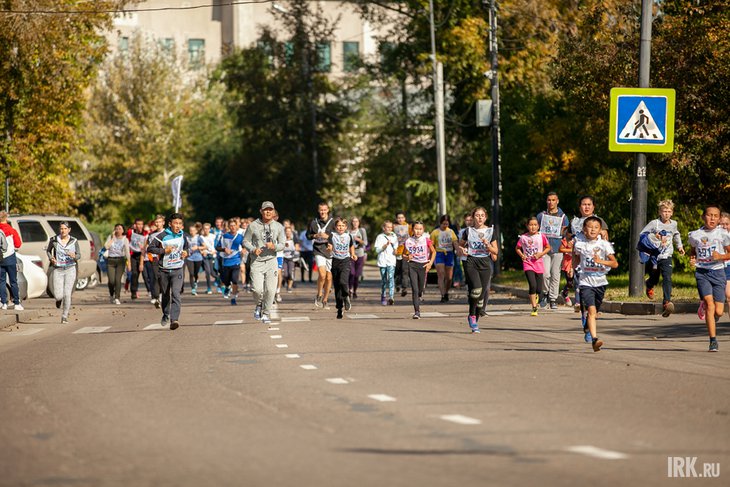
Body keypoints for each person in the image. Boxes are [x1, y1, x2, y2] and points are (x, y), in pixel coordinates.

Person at [572, 216, 618, 352]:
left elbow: (614, 263)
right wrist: (572, 269)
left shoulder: (604, 244)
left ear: (600, 230)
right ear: (584, 230)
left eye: (596, 227)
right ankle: (594, 339)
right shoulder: (579, 244)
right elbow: (575, 258)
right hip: (585, 281)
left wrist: (601, 262)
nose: (593, 229)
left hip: (601, 282)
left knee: (595, 312)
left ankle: (587, 325)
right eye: (590, 227)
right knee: (591, 311)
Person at [688, 205, 730, 352]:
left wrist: (721, 256)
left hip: (718, 273)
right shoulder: (695, 234)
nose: (712, 218)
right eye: (709, 215)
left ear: (719, 219)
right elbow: (693, 250)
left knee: (718, 311)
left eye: (715, 216)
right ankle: (713, 340)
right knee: (710, 305)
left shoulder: (723, 234)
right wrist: (692, 259)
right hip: (702, 273)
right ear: (703, 217)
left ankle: (712, 315)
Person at [640, 199, 685, 317]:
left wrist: (679, 246)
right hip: (654, 256)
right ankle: (649, 284)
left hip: (667, 255)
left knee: (667, 277)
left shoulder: (674, 224)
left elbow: (676, 234)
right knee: (654, 277)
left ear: (672, 213)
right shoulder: (654, 223)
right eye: (664, 211)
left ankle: (666, 302)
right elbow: (642, 234)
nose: (666, 213)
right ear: (660, 212)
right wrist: (654, 237)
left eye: (669, 211)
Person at [243, 201, 285, 325]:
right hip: (257, 261)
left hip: (271, 261)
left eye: (270, 210)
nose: (268, 212)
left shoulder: (278, 226)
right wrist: (252, 249)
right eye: (265, 210)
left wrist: (274, 246)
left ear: (273, 211)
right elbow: (245, 241)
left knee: (271, 290)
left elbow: (282, 244)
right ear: (261, 211)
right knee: (256, 289)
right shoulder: (253, 225)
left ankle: (266, 313)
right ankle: (259, 304)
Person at [458, 207, 498, 333]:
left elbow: (495, 251)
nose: (480, 217)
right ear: (473, 217)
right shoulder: (468, 231)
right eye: (477, 215)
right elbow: (460, 245)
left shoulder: (490, 231)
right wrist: (462, 249)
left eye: (482, 215)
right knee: (476, 289)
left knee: (481, 295)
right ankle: (471, 316)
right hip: (471, 261)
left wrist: (488, 245)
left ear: (485, 217)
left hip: (485, 262)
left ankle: (476, 320)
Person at [147, 213, 189, 331]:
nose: (178, 226)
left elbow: (186, 247)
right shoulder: (162, 236)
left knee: (176, 293)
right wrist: (164, 250)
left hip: (178, 269)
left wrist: (186, 252)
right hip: (164, 270)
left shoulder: (183, 236)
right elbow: (150, 248)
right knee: (165, 295)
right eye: (175, 223)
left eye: (180, 224)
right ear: (170, 224)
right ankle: (166, 313)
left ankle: (174, 320)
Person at [536, 192, 570, 309]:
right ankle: (544, 293)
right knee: (545, 274)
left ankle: (553, 298)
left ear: (557, 201)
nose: (551, 202)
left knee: (555, 275)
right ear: (546, 201)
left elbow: (565, 233)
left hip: (558, 248)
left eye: (553, 200)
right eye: (549, 200)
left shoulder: (563, 217)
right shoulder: (541, 215)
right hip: (544, 249)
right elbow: (535, 230)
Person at [46, 221, 81, 324]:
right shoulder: (54, 240)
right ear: (59, 229)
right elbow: (48, 251)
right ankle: (58, 300)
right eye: (61, 228)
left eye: (65, 229)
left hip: (70, 268)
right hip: (58, 269)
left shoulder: (74, 241)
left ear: (69, 230)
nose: (63, 231)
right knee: (58, 295)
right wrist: (51, 258)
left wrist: (74, 256)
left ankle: (64, 316)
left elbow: (79, 255)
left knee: (67, 294)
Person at [516, 217, 550, 316]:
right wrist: (522, 255)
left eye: (535, 225)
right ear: (527, 226)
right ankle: (534, 308)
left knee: (539, 289)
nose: (533, 227)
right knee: (532, 285)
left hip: (538, 263)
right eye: (531, 225)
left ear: (538, 226)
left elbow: (548, 247)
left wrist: (541, 254)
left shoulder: (541, 236)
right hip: (528, 263)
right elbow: (517, 248)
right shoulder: (523, 237)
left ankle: (536, 296)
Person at [404, 221, 436, 319]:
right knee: (415, 289)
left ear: (423, 230)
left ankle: (420, 294)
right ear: (412, 229)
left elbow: (433, 251)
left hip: (423, 265)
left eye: (420, 229)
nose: (418, 231)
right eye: (416, 229)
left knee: (420, 289)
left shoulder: (426, 240)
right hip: (412, 265)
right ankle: (417, 312)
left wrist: (430, 263)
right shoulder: (408, 241)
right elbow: (404, 255)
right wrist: (407, 257)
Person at [307, 202, 335, 309]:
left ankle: (325, 299)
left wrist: (328, 237)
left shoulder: (333, 222)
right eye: (321, 210)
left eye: (324, 210)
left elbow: (338, 235)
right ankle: (319, 294)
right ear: (318, 210)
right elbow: (307, 235)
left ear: (328, 210)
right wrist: (315, 235)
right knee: (322, 274)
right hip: (318, 250)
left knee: (328, 277)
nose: (323, 212)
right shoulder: (313, 222)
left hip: (330, 251)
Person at [328, 217, 356, 319]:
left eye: (343, 226)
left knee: (343, 282)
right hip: (335, 261)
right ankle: (339, 308)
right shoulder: (332, 235)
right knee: (337, 287)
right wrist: (329, 248)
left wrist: (353, 254)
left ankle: (346, 296)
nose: (341, 227)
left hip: (345, 260)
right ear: (335, 227)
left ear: (346, 227)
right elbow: (329, 244)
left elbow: (351, 245)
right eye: (339, 225)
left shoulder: (349, 236)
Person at [216, 218, 244, 305]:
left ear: (237, 226)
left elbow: (245, 246)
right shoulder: (224, 236)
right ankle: (227, 287)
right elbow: (217, 247)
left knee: (235, 280)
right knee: (226, 280)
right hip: (226, 261)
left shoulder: (240, 237)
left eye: (234, 225)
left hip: (236, 261)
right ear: (229, 227)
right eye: (231, 226)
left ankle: (233, 298)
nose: (232, 227)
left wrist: (244, 249)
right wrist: (224, 249)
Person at [430, 215, 458, 303]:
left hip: (449, 254)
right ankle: (442, 294)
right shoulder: (435, 232)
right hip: (439, 254)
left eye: (447, 223)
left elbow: (455, 243)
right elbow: (431, 244)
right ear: (440, 223)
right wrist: (431, 255)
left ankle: (446, 292)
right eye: (443, 223)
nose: (445, 225)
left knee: (449, 277)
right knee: (441, 274)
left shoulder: (451, 232)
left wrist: (459, 251)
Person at [0, 211, 23, 311]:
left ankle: (3, 302)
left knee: (1, 281)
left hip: (0, 258)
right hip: (10, 258)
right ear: (6, 218)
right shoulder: (12, 230)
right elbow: (18, 244)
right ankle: (16, 303)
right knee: (13, 281)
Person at [104, 224, 130, 305]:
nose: (118, 230)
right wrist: (112, 238)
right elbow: (106, 247)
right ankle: (111, 295)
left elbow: (127, 252)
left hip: (120, 261)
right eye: (116, 228)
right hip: (110, 260)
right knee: (111, 281)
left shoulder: (125, 239)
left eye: (120, 228)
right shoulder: (110, 237)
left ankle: (117, 297)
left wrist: (129, 263)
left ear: (123, 230)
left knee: (118, 280)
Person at [374, 220, 398, 306]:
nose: (389, 229)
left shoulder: (394, 236)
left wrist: (396, 251)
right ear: (383, 228)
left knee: (391, 278)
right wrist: (385, 246)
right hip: (382, 261)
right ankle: (383, 296)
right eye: (387, 227)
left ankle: (391, 297)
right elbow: (377, 250)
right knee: (384, 280)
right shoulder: (380, 237)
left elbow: (396, 248)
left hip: (391, 261)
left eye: (391, 227)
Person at [126, 218, 147, 300]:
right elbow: (125, 236)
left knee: (145, 275)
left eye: (141, 224)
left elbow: (144, 247)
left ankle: (151, 291)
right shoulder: (131, 232)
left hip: (142, 255)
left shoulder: (145, 233)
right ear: (135, 225)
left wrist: (141, 263)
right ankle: (133, 292)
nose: (140, 226)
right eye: (138, 224)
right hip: (133, 255)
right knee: (134, 274)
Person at [348, 217, 368, 299]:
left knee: (357, 275)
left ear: (359, 223)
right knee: (351, 273)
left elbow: (365, 243)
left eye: (357, 221)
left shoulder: (362, 230)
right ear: (351, 223)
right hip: (350, 254)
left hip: (360, 254)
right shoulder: (348, 232)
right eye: (353, 221)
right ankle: (350, 289)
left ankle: (355, 291)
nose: (355, 223)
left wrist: (359, 240)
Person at [393, 211, 411, 297]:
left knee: (405, 270)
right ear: (396, 219)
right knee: (397, 271)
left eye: (402, 217)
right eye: (398, 218)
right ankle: (397, 284)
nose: (400, 219)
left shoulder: (409, 227)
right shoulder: (393, 227)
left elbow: (412, 237)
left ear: (405, 218)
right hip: (396, 252)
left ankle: (404, 288)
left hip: (406, 251)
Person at [185, 223, 205, 295]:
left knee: (195, 273)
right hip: (189, 258)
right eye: (190, 231)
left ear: (196, 231)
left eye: (193, 230)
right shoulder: (187, 238)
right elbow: (185, 247)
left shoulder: (199, 237)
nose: (192, 232)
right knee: (191, 273)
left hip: (198, 257)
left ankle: (196, 280)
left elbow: (204, 246)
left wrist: (198, 247)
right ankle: (193, 289)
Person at [200, 222, 217, 294]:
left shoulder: (213, 236)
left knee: (213, 273)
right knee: (207, 272)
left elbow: (217, 245)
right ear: (203, 229)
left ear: (210, 229)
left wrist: (215, 251)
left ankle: (221, 282)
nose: (206, 230)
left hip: (213, 256)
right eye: (205, 229)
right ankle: (209, 288)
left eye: (207, 229)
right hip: (205, 256)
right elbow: (199, 246)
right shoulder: (201, 237)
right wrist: (202, 251)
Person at [282, 226, 299, 293]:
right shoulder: (282, 240)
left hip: (292, 258)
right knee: (285, 274)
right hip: (284, 258)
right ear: (285, 232)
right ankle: (284, 280)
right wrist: (283, 246)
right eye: (287, 231)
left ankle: (289, 287)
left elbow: (297, 248)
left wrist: (295, 248)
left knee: (290, 273)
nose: (288, 233)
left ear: (291, 232)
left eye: (289, 231)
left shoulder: (294, 240)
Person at [558, 234, 575, 307]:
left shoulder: (580, 239)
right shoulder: (566, 239)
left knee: (577, 281)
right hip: (567, 263)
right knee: (570, 282)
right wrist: (571, 250)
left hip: (576, 262)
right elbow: (561, 249)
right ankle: (564, 293)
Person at [721, 212, 730, 319]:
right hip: (715, 267)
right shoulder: (713, 235)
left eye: (727, 224)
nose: (724, 226)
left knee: (729, 296)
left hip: (728, 266)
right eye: (722, 224)